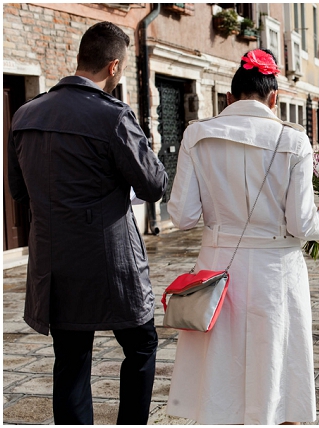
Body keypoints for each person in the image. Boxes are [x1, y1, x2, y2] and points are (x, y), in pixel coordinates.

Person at [165, 49, 319, 425]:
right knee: (274, 360)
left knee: (219, 366)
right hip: (274, 273)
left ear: (229, 97)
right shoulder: (294, 141)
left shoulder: (196, 135)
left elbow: (182, 217)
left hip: (216, 272)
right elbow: (301, 223)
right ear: (274, 98)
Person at [7, 21, 168, 424]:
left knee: (71, 360)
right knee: (143, 346)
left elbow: (18, 190)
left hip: (54, 264)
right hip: (111, 264)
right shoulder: (112, 116)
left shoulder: (25, 114)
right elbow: (152, 186)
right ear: (113, 66)